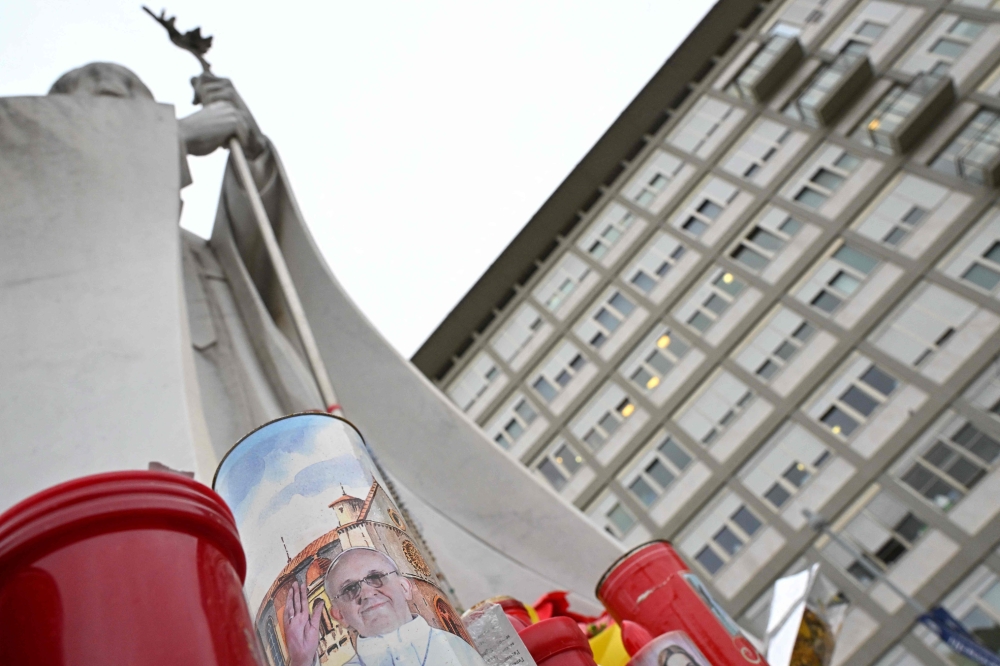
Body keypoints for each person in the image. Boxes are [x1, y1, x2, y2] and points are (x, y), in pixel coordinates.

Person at [283, 548, 486, 666]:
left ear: (405, 587)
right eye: (350, 588)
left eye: (375, 577)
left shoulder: (455, 647)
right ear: (340, 615)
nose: (366, 592)